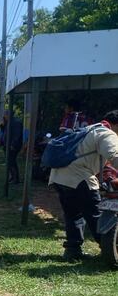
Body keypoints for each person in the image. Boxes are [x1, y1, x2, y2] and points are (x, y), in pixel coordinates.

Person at [49, 110, 118, 261]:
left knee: (73, 214)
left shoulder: (90, 129)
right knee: (95, 214)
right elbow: (114, 155)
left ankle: (73, 251)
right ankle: (109, 251)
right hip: (78, 177)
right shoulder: (107, 133)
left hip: (58, 176)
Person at [3, 112, 24, 184]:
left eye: (5, 115)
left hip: (12, 146)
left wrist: (13, 144)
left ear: (8, 115)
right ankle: (12, 177)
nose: (4, 116)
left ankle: (16, 179)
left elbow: (17, 135)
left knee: (11, 161)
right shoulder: (9, 122)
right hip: (8, 145)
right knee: (10, 162)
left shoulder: (16, 123)